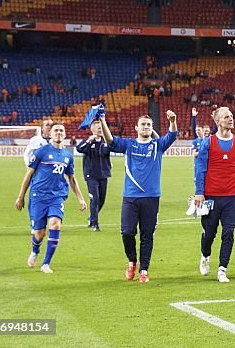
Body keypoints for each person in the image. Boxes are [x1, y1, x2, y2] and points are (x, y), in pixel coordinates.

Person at [99, 110, 178, 283]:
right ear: (136, 128)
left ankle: (144, 269)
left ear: (152, 128)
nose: (146, 127)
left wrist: (172, 121)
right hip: (130, 197)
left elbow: (172, 135)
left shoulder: (157, 145)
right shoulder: (128, 144)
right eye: (143, 124)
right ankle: (132, 261)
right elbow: (110, 140)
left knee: (147, 234)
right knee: (127, 232)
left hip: (151, 197)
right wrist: (103, 120)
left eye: (149, 125)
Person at [14, 122, 87, 273]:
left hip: (56, 197)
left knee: (55, 224)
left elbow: (72, 178)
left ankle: (46, 264)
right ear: (51, 134)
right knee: (39, 233)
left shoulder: (67, 155)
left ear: (65, 134)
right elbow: (29, 174)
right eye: (56, 130)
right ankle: (35, 250)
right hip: (38, 196)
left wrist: (81, 198)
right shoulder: (41, 151)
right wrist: (21, 196)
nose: (59, 133)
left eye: (61, 130)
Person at [193, 106, 235, 283]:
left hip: (231, 196)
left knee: (229, 232)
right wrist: (199, 192)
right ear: (217, 121)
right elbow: (200, 168)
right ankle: (205, 256)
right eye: (226, 117)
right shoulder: (208, 142)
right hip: (211, 197)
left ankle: (222, 269)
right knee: (209, 233)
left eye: (231, 116)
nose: (231, 119)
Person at [76, 118, 112, 232]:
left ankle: (91, 217)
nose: (100, 130)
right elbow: (79, 149)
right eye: (98, 128)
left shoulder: (105, 141)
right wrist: (89, 141)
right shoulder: (87, 141)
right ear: (92, 129)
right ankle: (94, 224)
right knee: (95, 199)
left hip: (103, 174)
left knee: (101, 200)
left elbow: (110, 149)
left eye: (101, 128)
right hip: (91, 175)